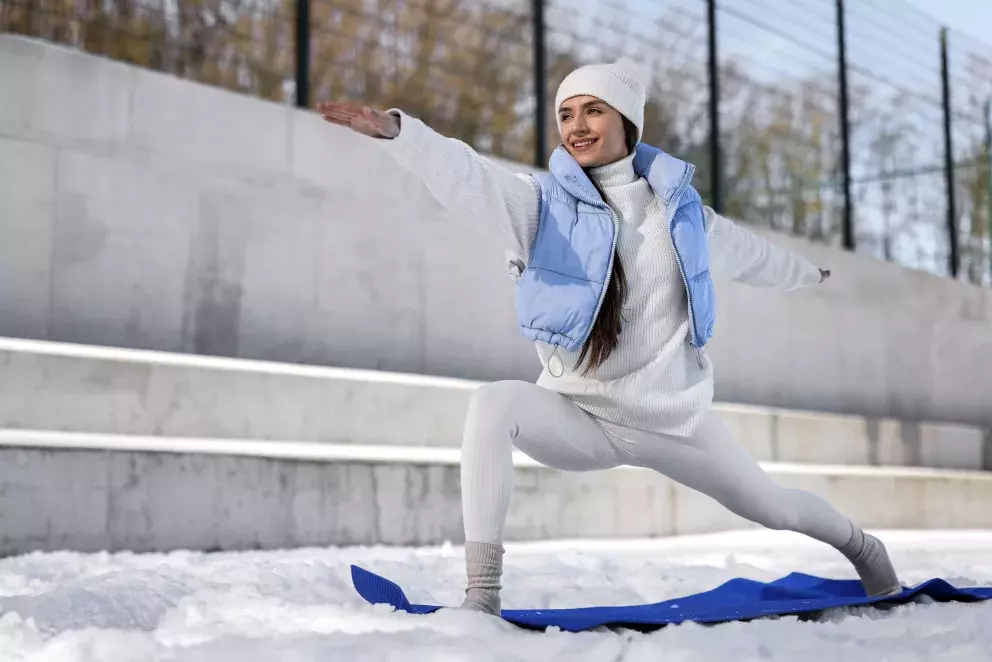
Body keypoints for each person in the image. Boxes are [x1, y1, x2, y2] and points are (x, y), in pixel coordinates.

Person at [318, 61, 901, 616]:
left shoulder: (681, 216)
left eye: (593, 110)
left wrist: (807, 273)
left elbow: (753, 257)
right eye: (566, 114)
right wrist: (402, 134)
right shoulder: (540, 205)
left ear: (626, 122)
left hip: (673, 420)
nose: (577, 126)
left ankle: (864, 548)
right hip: (579, 415)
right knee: (492, 402)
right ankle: (483, 592)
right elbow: (469, 176)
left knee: (773, 507)